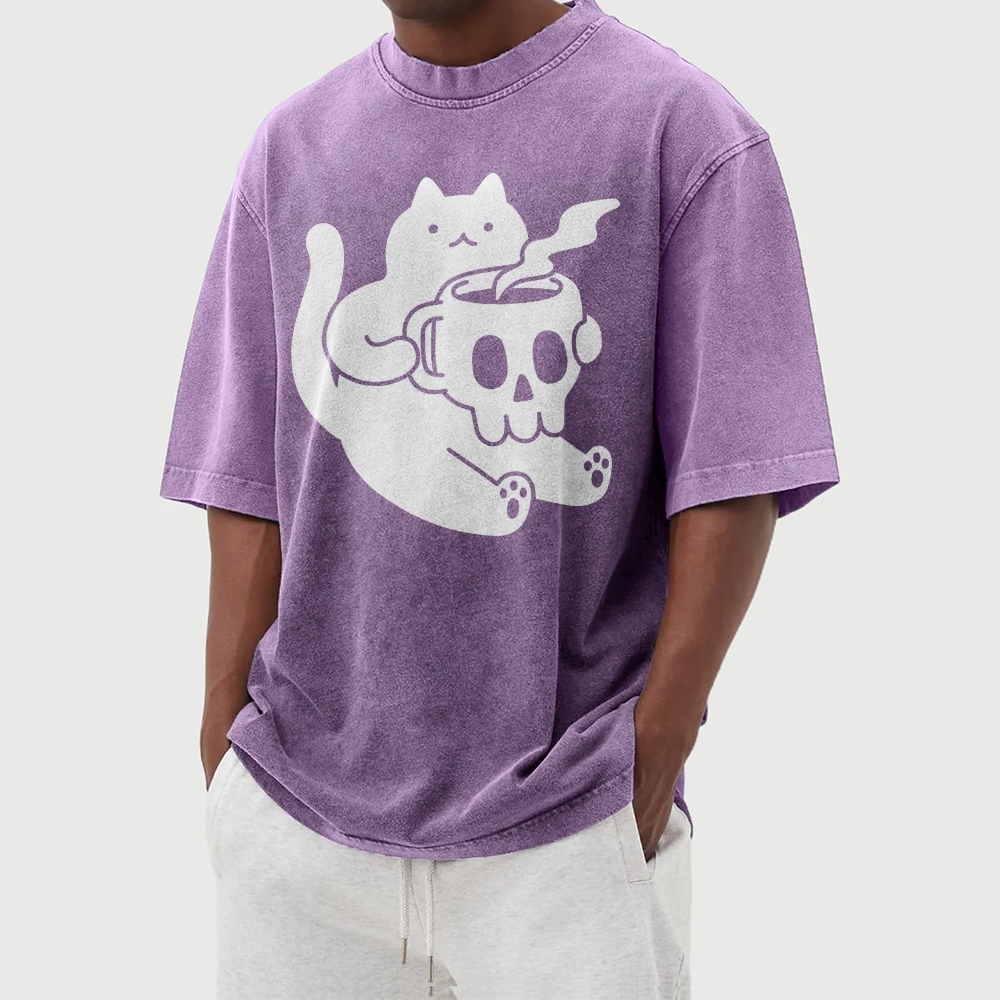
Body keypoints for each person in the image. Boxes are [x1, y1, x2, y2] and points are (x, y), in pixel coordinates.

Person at [161, 0, 839, 996]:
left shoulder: (680, 130)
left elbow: (734, 468)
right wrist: (225, 748)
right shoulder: (292, 148)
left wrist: (655, 747)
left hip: (568, 828)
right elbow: (247, 473)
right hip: (298, 828)